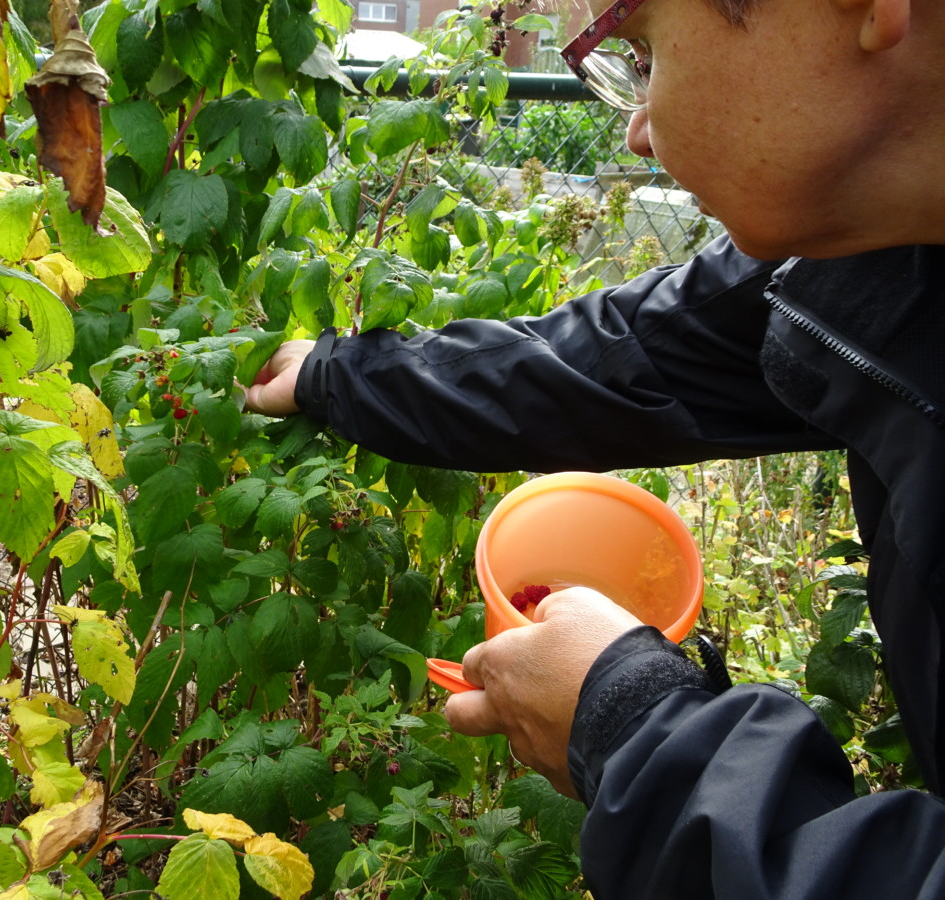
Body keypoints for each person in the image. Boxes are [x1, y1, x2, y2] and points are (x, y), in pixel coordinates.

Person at [246, 0, 945, 896]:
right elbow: (632, 355)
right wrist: (336, 377)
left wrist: (635, 728)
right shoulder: (877, 250)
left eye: (646, 51)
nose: (639, 132)